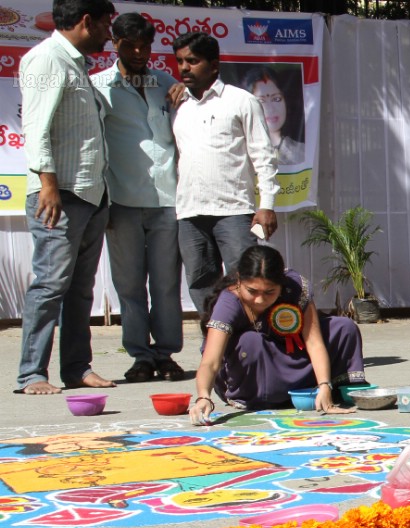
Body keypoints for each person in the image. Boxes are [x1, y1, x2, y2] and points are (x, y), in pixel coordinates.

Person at [15, 0, 117, 395]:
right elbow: (36, 128)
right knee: (50, 284)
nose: (110, 31)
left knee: (79, 289)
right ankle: (31, 375)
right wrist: (49, 186)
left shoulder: (76, 64)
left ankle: (76, 368)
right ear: (86, 21)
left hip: (90, 193)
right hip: (60, 194)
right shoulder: (46, 60)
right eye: (106, 23)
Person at [92, 12, 185, 383]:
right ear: (114, 43)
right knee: (129, 286)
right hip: (121, 201)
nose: (137, 51)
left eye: (144, 45)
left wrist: (182, 96)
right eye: (129, 44)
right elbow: (94, 146)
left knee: (166, 284)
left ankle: (165, 355)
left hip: (168, 199)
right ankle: (140, 357)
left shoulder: (168, 84)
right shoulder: (98, 87)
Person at [189, 245, 367, 424]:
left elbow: (314, 343)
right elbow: (210, 361)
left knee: (343, 327)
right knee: (251, 341)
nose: (259, 300)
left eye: (269, 292)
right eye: (252, 291)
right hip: (252, 366)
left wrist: (325, 385)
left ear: (281, 286)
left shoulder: (295, 287)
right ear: (239, 281)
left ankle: (325, 392)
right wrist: (204, 397)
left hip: (289, 355)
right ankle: (261, 396)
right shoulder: (228, 302)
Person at [172, 31, 279, 312]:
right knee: (200, 282)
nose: (184, 67)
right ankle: (214, 344)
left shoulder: (241, 101)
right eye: (180, 61)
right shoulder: (177, 105)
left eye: (192, 61)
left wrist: (266, 205)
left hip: (233, 210)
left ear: (214, 65)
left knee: (246, 280)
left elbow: (263, 155)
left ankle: (251, 345)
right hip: (189, 212)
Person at [241, 66, 304, 166]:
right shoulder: (239, 153)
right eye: (261, 101)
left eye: (276, 99)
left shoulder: (302, 152)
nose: (270, 109)